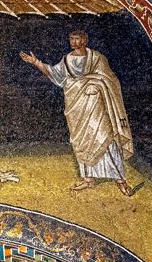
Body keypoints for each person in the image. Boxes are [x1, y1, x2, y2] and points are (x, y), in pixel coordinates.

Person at [20, 31, 135, 195]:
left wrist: (96, 84)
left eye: (77, 38)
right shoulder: (67, 59)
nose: (74, 41)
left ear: (85, 40)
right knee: (82, 141)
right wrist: (36, 62)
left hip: (97, 104)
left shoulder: (97, 58)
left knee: (105, 137)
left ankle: (120, 181)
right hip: (76, 105)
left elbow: (109, 79)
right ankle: (88, 180)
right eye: (71, 38)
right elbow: (55, 74)